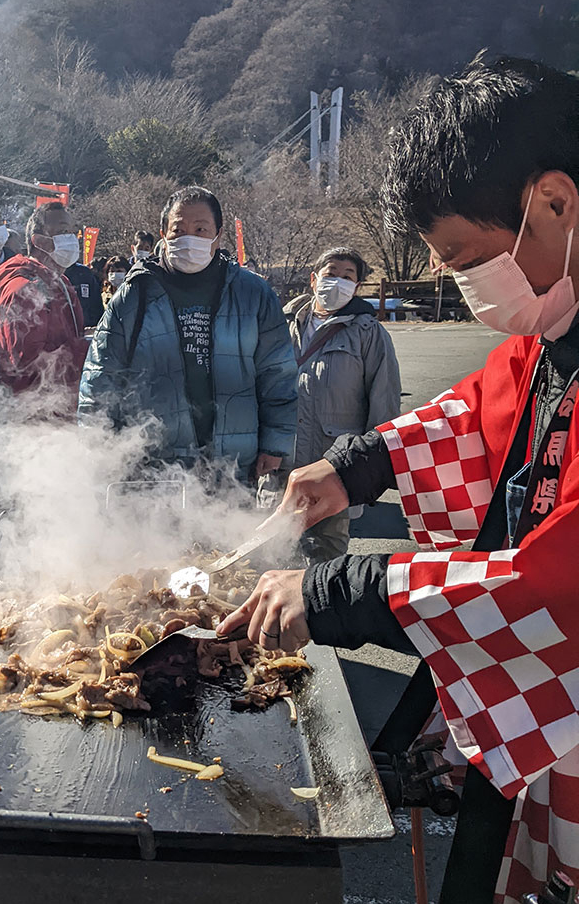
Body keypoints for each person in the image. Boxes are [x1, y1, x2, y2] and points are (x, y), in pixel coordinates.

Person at [217, 56, 579, 904]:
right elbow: (485, 410)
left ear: (553, 201)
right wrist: (354, 468)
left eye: (464, 255)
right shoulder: (559, 323)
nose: (464, 283)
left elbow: (564, 577)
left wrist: (347, 586)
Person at [79, 186, 297, 485]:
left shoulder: (253, 294)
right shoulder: (135, 294)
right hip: (151, 460)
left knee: (230, 532)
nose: (188, 238)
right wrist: (96, 444)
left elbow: (278, 372)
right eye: (178, 230)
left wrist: (275, 442)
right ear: (163, 235)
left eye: (200, 229)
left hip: (233, 458)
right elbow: (101, 373)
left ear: (218, 235)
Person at [283, 247, 401, 561]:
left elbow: (384, 404)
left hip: (332, 470)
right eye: (330, 274)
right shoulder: (282, 327)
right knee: (273, 557)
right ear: (313, 280)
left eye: (347, 277)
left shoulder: (368, 334)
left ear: (357, 287)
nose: (337, 282)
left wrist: (369, 470)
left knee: (327, 560)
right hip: (282, 464)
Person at [0, 201, 88, 404]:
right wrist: (87, 348)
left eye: (71, 231)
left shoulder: (60, 281)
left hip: (60, 407)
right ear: (39, 241)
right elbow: (27, 363)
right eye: (62, 231)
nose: (71, 238)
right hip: (34, 418)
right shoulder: (22, 289)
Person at [64, 258, 103, 333]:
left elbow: (96, 303)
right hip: (62, 329)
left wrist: (97, 326)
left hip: (86, 328)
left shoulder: (84, 272)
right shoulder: (49, 271)